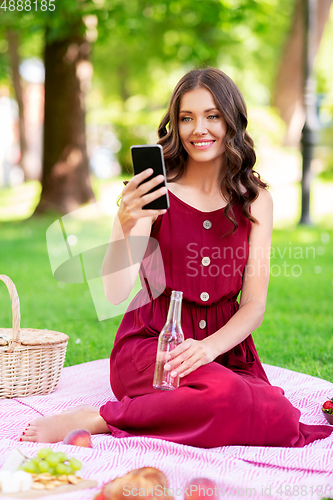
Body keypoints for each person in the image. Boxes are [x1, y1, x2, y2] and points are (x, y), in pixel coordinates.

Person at [20, 68, 332, 447]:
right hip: (152, 345)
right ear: (175, 125)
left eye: (212, 115)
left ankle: (166, 407)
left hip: (224, 351)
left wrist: (208, 348)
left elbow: (253, 304)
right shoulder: (153, 193)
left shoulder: (256, 202)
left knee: (279, 415)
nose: (199, 129)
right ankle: (101, 417)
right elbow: (116, 292)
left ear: (231, 120)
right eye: (187, 118)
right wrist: (127, 222)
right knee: (230, 399)